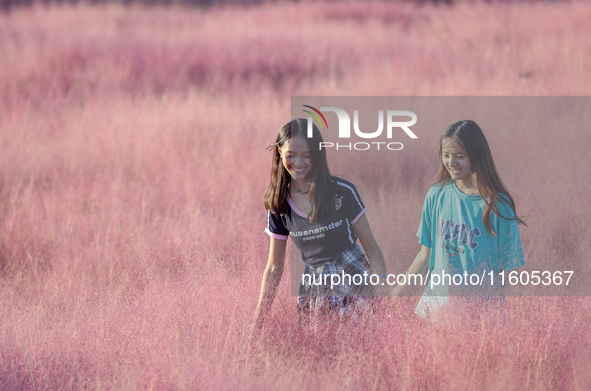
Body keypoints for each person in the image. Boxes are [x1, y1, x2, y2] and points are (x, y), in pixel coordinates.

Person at [252, 118, 387, 330]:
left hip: (353, 275)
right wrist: (257, 324)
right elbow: (274, 267)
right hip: (315, 284)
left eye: (307, 155)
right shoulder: (278, 204)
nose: (298, 163)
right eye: (291, 155)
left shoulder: (342, 191)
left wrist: (381, 293)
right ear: (279, 152)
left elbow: (372, 248)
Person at [391, 120, 526, 318]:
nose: (451, 163)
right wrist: (393, 296)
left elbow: (510, 272)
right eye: (446, 155)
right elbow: (425, 256)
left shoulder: (497, 206)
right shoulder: (436, 195)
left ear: (476, 156)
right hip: (435, 314)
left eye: (459, 156)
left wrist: (502, 324)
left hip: (479, 320)